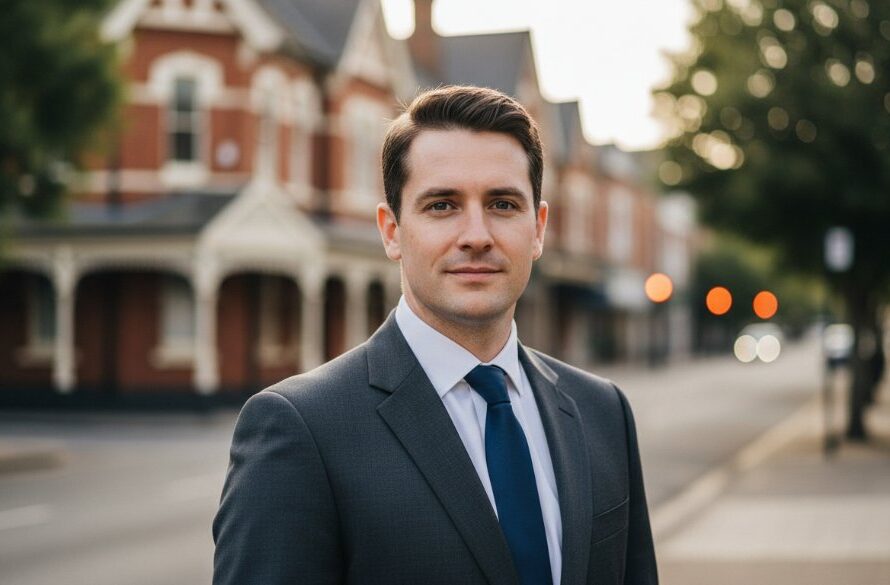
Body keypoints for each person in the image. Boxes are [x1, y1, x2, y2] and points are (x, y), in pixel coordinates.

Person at [213, 85, 658, 585]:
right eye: (443, 205)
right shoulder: (301, 429)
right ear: (392, 231)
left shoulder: (603, 412)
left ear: (538, 228)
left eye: (503, 204)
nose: (476, 235)